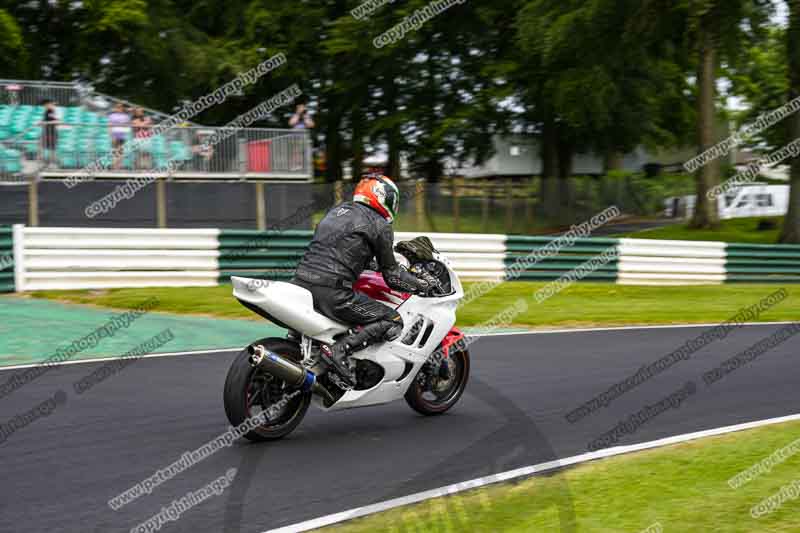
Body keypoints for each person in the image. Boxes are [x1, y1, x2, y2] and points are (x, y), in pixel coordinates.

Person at [292, 175, 434, 384]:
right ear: (381, 197)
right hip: (333, 293)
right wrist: (421, 285)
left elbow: (344, 251)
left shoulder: (335, 212)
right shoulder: (379, 224)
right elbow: (393, 277)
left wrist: (371, 264)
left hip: (299, 283)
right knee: (391, 320)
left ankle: (296, 345)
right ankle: (340, 351)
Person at [108, 103, 131, 169]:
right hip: (114, 135)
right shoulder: (112, 116)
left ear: (122, 108)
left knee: (121, 151)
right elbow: (110, 125)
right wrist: (111, 135)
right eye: (117, 107)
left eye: (120, 107)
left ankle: (118, 166)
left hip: (122, 136)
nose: (119, 109)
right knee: (115, 151)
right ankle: (114, 165)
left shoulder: (126, 116)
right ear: (116, 108)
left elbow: (128, 125)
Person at [39, 99, 59, 168]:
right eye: (44, 105)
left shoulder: (53, 110)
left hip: (52, 132)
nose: (44, 106)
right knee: (43, 147)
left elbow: (56, 121)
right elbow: (45, 120)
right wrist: (41, 122)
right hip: (46, 131)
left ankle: (53, 163)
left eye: (46, 104)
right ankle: (45, 163)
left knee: (52, 148)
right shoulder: (46, 111)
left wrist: (44, 123)